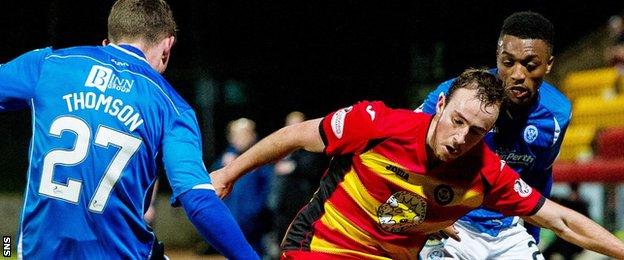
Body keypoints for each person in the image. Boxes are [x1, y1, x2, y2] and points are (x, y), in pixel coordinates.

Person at [210, 68, 624, 259]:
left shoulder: (486, 172)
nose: (462, 138)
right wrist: (229, 173)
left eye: (477, 132)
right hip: (324, 246)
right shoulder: (379, 123)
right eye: (457, 121)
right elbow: (296, 135)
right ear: (440, 105)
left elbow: (561, 221)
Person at [0, 0, 257, 258]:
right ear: (167, 45)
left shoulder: (49, 64)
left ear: (109, 39)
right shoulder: (172, 108)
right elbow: (199, 201)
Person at [416, 11, 573, 259]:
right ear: (497, 57)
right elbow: (403, 148)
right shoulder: (453, 95)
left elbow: (539, 177)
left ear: (549, 64)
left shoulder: (558, 114)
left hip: (506, 232)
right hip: (449, 219)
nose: (518, 75)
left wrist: (532, 238)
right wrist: (426, 211)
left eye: (530, 65)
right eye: (508, 62)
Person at [211, 118, 273, 256]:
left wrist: (259, 211)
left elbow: (269, 188)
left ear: (252, 135)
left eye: (243, 134)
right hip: (232, 219)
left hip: (255, 223)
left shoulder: (262, 156)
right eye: (235, 135)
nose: (239, 138)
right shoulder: (225, 158)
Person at [269, 111, 327, 256]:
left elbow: (315, 168)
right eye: (290, 125)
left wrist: (294, 167)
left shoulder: (312, 147)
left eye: (297, 124)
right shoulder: (280, 150)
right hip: (281, 209)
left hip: (303, 208)